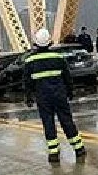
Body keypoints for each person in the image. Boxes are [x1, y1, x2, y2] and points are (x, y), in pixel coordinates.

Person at [23, 28, 85, 164]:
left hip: (43, 97)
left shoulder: (30, 60)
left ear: (36, 43)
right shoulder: (58, 57)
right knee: (67, 121)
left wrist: (28, 97)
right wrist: (70, 92)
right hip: (59, 94)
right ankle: (79, 148)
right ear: (49, 42)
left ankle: (53, 153)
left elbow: (27, 82)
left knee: (48, 123)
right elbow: (67, 77)